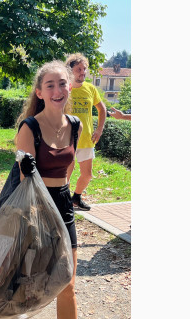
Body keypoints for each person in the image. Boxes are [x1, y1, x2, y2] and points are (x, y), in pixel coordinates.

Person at [9, 60, 96, 319]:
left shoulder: (75, 124)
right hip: (34, 206)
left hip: (62, 203)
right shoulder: (29, 128)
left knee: (68, 284)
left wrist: (67, 196)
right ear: (39, 91)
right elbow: (24, 179)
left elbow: (69, 169)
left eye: (63, 83)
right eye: (51, 85)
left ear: (70, 86)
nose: (58, 90)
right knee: (31, 276)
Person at [65, 53, 106, 211]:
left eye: (84, 69)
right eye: (79, 69)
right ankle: (62, 199)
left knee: (87, 174)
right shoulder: (64, 88)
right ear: (70, 70)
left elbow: (102, 109)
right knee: (66, 173)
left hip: (86, 138)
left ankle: (76, 198)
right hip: (66, 138)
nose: (83, 72)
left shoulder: (90, 88)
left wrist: (99, 130)